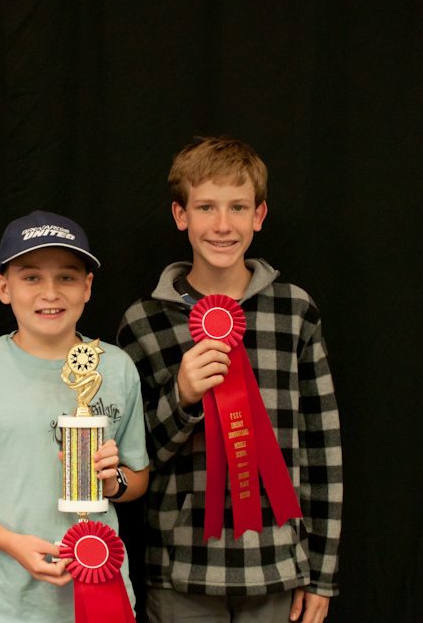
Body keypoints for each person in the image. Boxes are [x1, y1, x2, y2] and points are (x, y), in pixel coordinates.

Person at [116, 137, 341, 623]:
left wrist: (321, 573)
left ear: (259, 215)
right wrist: (181, 397)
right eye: (206, 207)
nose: (222, 224)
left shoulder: (295, 311)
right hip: (181, 571)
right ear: (181, 215)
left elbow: (323, 450)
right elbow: (131, 459)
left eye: (238, 207)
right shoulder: (144, 321)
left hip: (277, 567)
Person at [0, 211, 151, 622]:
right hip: (2, 606)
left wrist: (113, 482)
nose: (50, 292)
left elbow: (138, 477)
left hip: (103, 598)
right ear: (3, 287)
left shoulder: (115, 367)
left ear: (87, 287)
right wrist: (11, 543)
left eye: (66, 277)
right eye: (31, 277)